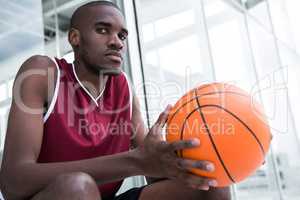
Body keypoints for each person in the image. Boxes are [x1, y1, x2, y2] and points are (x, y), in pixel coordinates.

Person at [0, 1, 230, 200]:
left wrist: (200, 158)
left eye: (122, 36)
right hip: (62, 196)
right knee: (78, 188)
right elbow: (13, 183)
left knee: (211, 187)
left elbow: (151, 167)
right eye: (102, 30)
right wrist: (136, 161)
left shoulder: (123, 87)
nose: (117, 42)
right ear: (74, 38)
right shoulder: (42, 73)